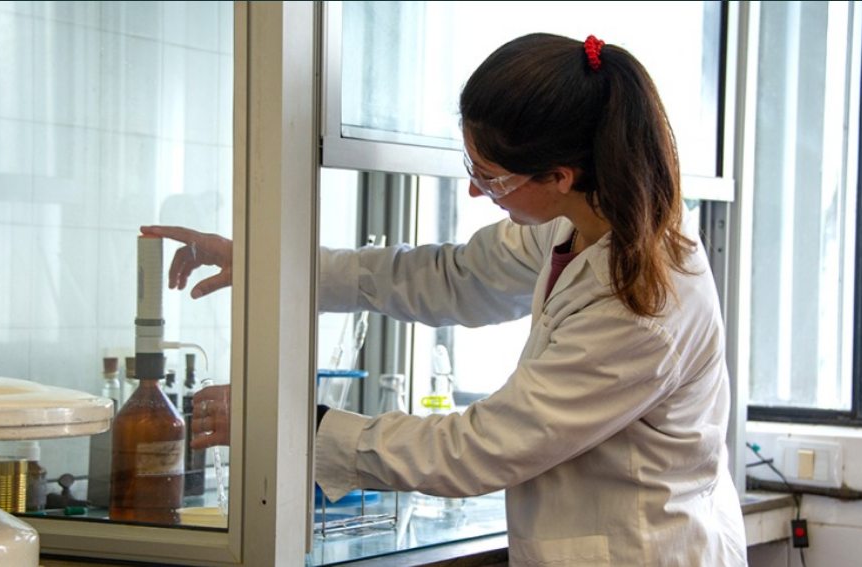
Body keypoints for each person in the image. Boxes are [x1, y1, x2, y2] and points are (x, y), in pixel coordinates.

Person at [142, 32, 748, 567]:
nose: (477, 191)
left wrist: (301, 425)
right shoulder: (579, 222)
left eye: (492, 177)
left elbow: (482, 448)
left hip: (646, 550)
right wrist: (271, 267)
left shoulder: (643, 305)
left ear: (561, 176)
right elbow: (452, 277)